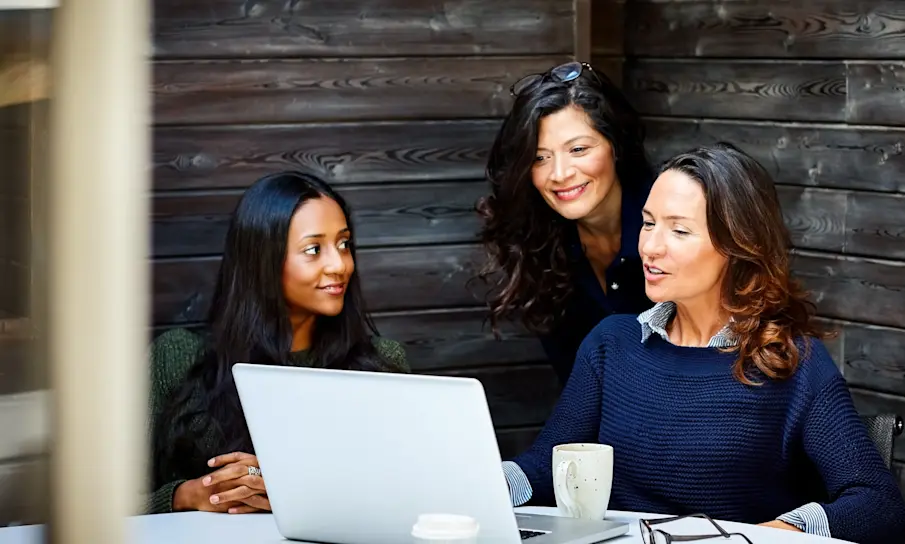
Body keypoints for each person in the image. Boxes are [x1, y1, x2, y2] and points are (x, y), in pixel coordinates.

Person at [500, 144, 905, 544]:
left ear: (736, 247)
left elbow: (878, 504)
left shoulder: (791, 360)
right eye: (647, 223)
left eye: (679, 230)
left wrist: (771, 535)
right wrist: (474, 481)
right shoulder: (611, 344)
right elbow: (543, 470)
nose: (650, 247)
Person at [145, 171, 410, 515]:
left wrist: (301, 493)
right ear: (263, 262)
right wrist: (189, 495)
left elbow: (404, 494)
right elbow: (96, 503)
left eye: (343, 244)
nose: (339, 264)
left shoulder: (382, 363)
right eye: (314, 249)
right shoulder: (177, 356)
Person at [475, 61, 656, 385]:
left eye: (578, 149)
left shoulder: (675, 225)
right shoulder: (541, 243)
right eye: (540, 157)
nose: (559, 174)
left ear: (615, 146)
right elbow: (577, 386)